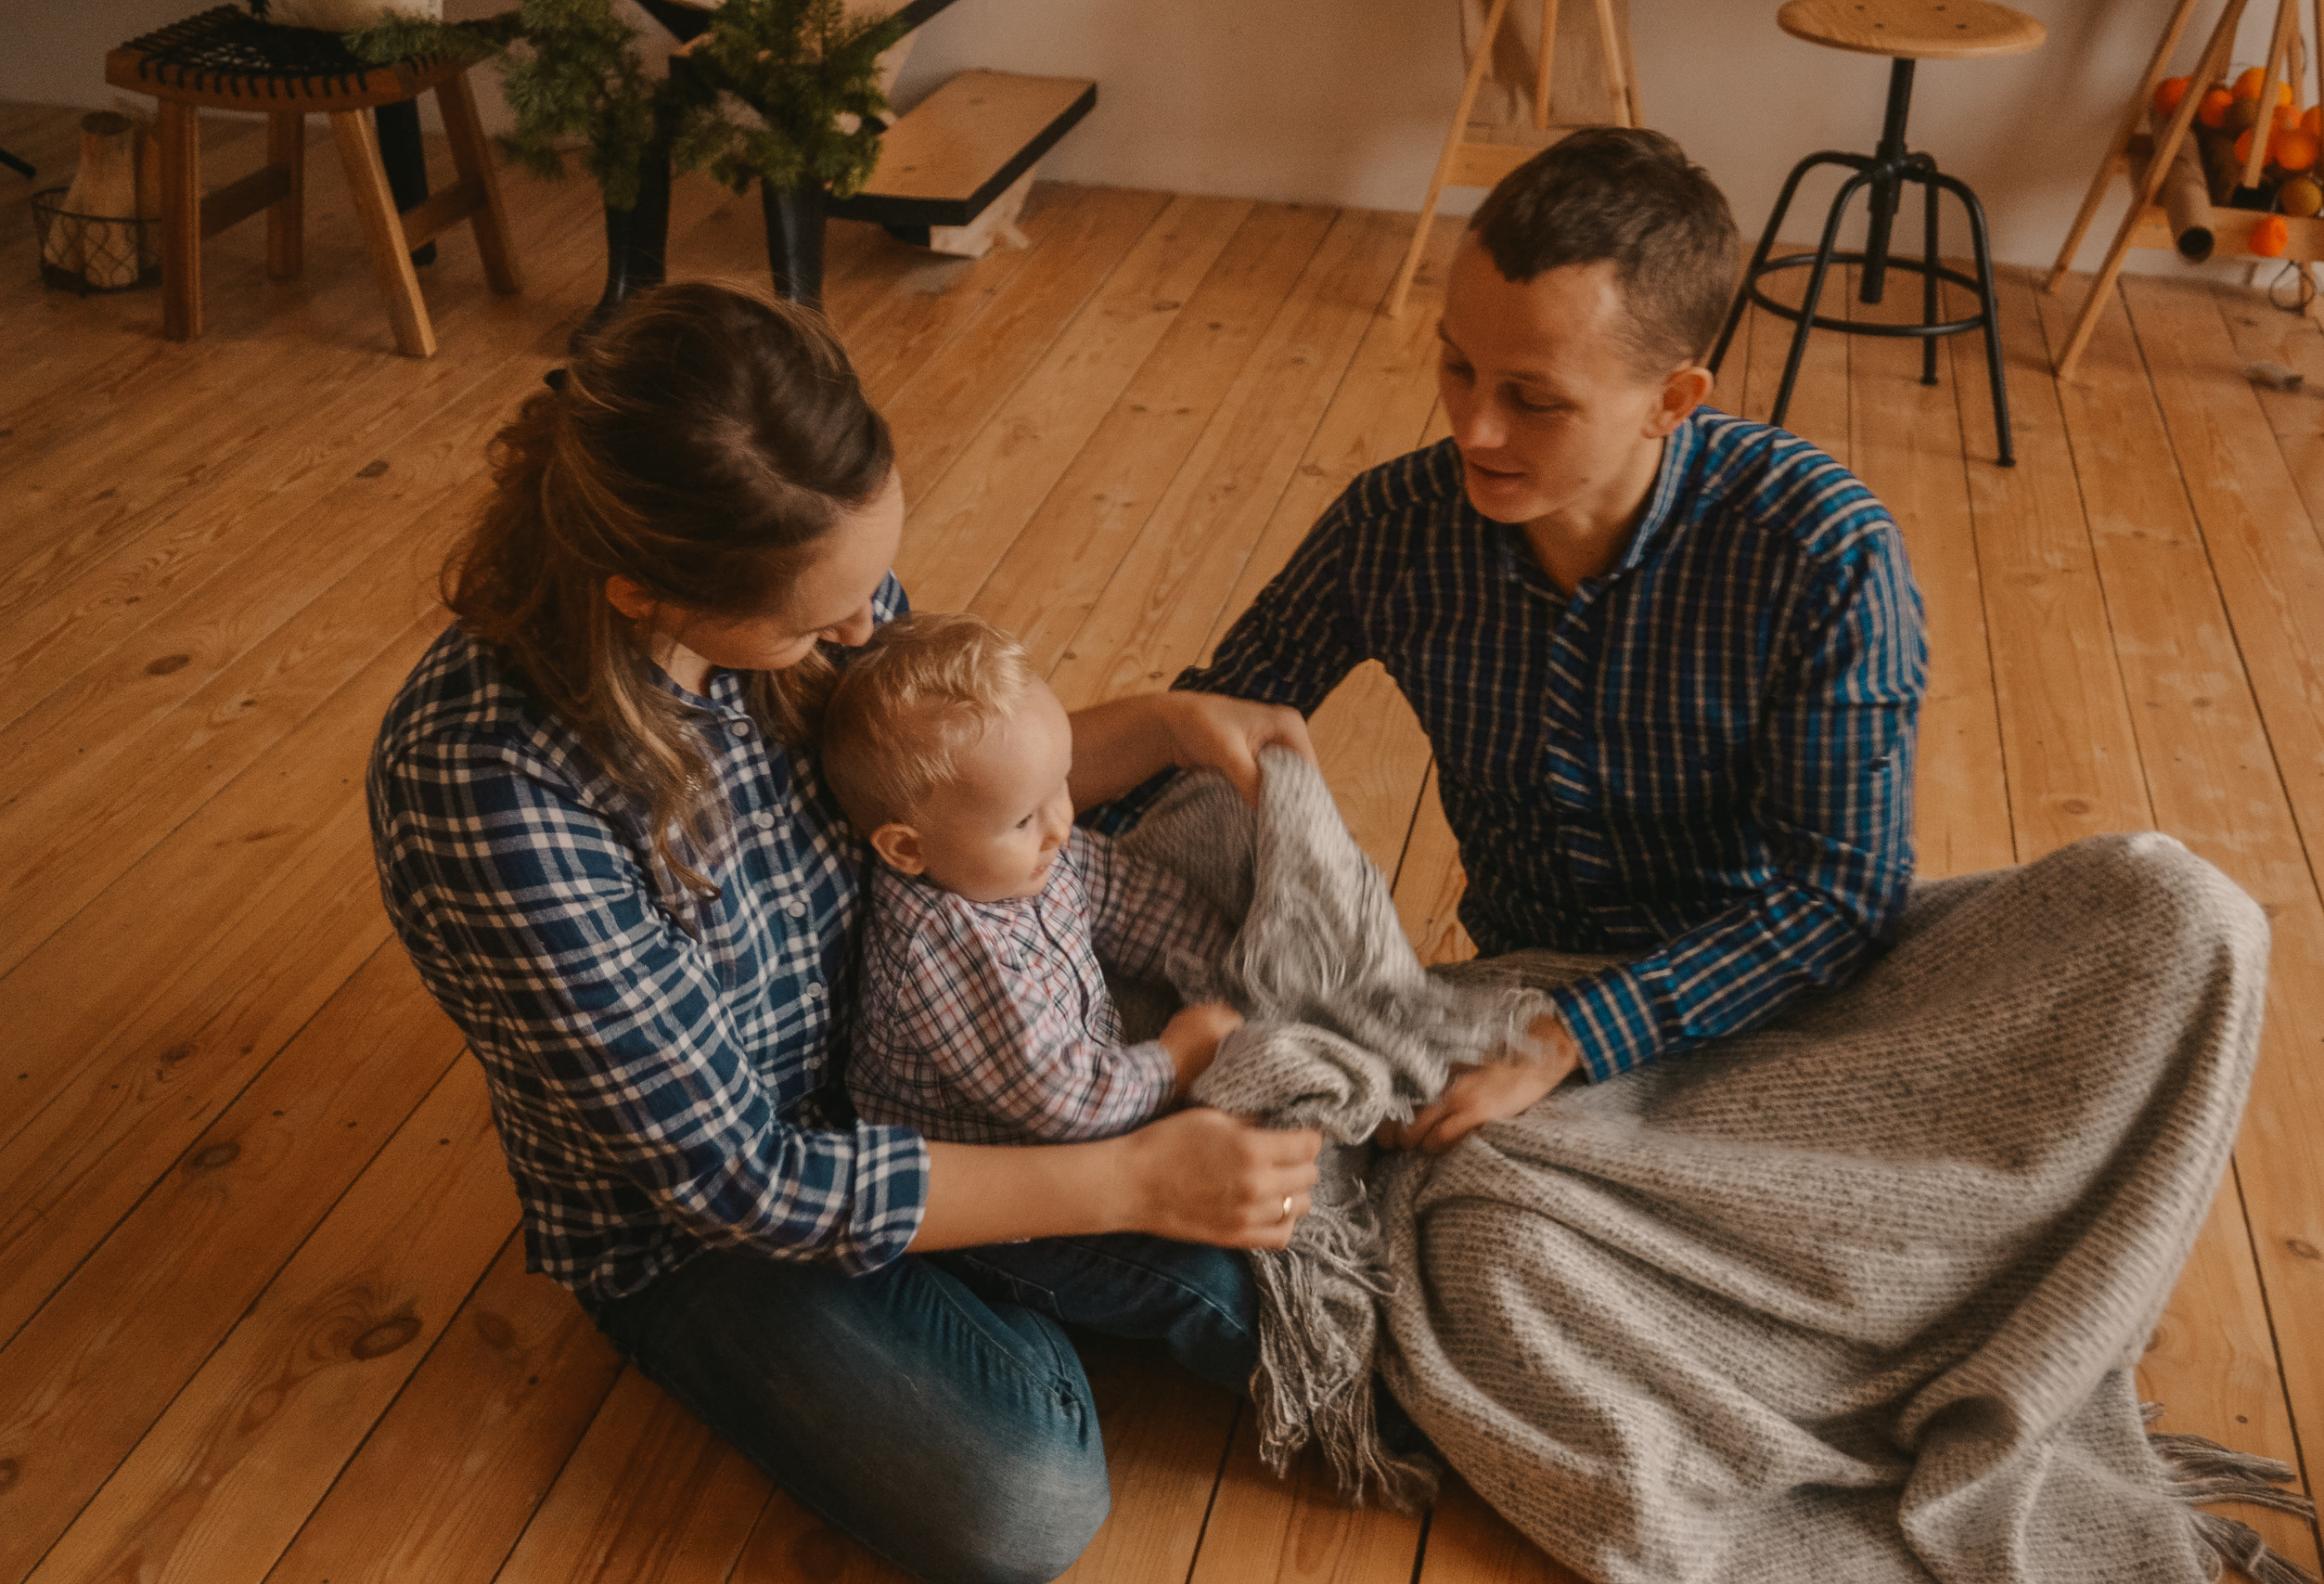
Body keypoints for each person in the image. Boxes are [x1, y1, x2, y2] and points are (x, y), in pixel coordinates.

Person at [366, 280, 1322, 1584]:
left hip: (924, 1064)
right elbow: (742, 1178)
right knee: (1022, 1496)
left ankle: (1008, 1258)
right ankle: (1010, 1276)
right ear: (645, 587)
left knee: (1264, 1252)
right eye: (823, 616)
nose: (869, 626)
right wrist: (1131, 1181)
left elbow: (952, 793)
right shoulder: (489, 782)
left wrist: (1160, 724)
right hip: (710, 1221)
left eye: (875, 579)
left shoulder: (815, 587)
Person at [1173, 125, 1929, 1152]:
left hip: (1754, 993)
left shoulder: (1820, 552)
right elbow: (1210, 727)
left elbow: (1840, 898)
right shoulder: (1391, 526)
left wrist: (1572, 1039)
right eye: (1455, 366)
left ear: (1672, 400)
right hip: (1502, 998)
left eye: (1533, 401)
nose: (1473, 431)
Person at [822, 611, 1241, 1147]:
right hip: (1012, 1175)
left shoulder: (1025, 857)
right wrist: (1173, 1064)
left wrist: (1233, 975)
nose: (1062, 826)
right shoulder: (940, 943)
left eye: (1061, 783)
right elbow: (1059, 1099)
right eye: (1023, 819)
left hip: (1097, 1079)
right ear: (907, 848)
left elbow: (1136, 903)